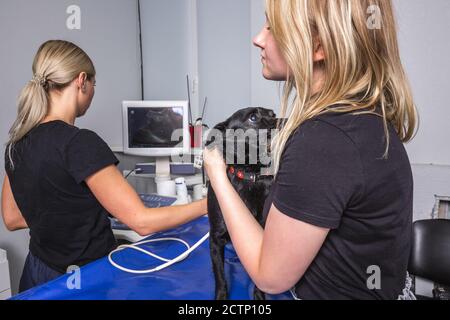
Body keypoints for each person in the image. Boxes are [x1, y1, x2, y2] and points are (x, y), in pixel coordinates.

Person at [203, 0, 417, 300]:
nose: (258, 39)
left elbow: (269, 276)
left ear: (318, 47)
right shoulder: (362, 119)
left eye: (272, 28)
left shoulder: (324, 141)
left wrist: (216, 174)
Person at [1, 40, 207, 293]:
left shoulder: (17, 142)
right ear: (81, 80)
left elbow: (12, 218)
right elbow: (142, 222)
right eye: (93, 85)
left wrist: (62, 215)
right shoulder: (79, 143)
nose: (93, 92)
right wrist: (209, 204)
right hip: (84, 277)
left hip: (38, 273)